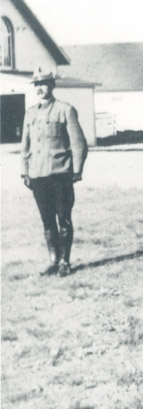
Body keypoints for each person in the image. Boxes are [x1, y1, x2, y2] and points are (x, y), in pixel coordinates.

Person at [21, 68, 87, 277]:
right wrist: (25, 171)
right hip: (38, 175)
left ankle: (65, 262)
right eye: (37, 85)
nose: (40, 89)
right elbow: (25, 144)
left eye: (44, 84)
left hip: (60, 174)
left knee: (63, 217)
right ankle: (53, 261)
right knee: (47, 220)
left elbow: (79, 144)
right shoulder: (30, 113)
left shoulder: (65, 110)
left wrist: (77, 170)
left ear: (52, 85)